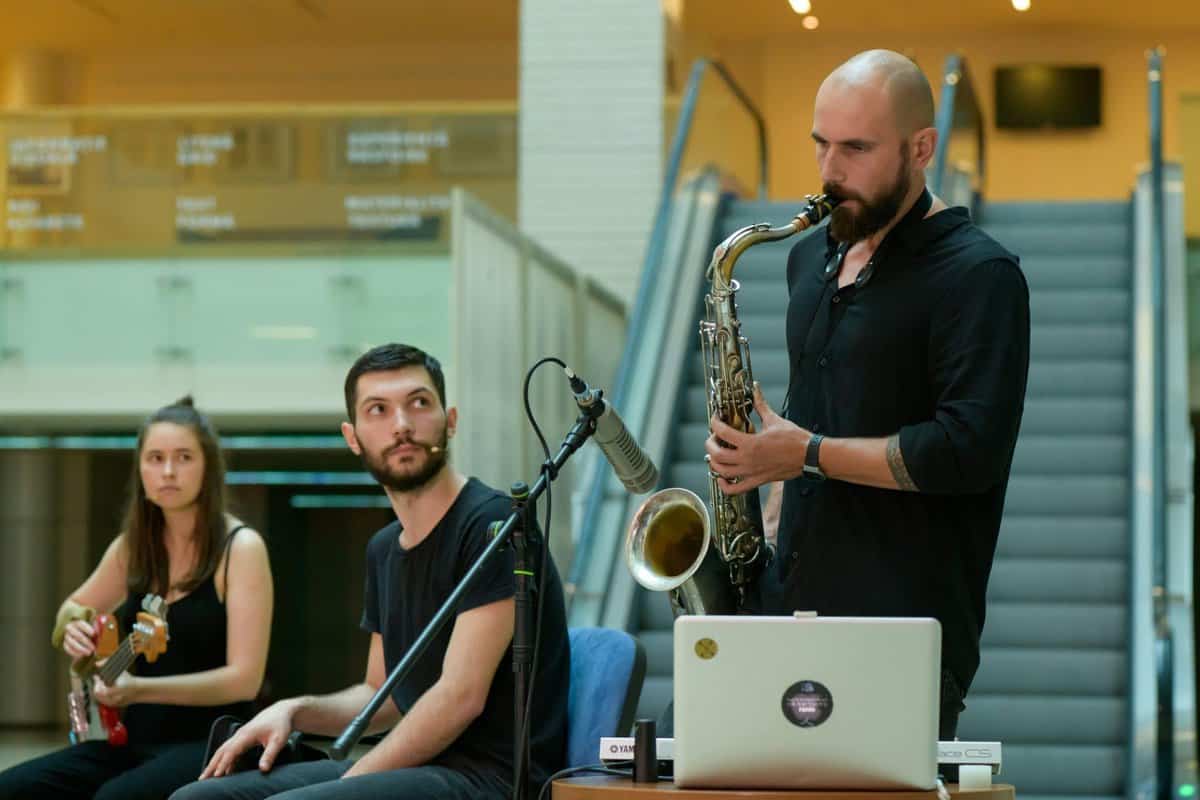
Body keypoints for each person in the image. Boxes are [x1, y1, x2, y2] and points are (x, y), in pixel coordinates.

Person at [704, 49, 1030, 739]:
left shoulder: (980, 276)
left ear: (922, 148)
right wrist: (764, 474)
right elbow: (815, 414)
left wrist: (807, 454)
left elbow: (966, 452)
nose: (829, 170)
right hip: (786, 610)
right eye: (821, 144)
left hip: (901, 632)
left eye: (856, 148)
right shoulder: (807, 258)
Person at [172, 343, 570, 800]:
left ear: (451, 420)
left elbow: (460, 697)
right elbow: (380, 695)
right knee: (195, 798)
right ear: (353, 436)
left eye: (419, 403)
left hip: (490, 779)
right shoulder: (384, 550)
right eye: (378, 410)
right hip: (419, 765)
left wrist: (353, 780)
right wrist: (293, 710)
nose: (401, 425)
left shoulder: (495, 524)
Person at [0, 397, 274, 800]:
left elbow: (244, 680)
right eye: (155, 458)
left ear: (207, 468)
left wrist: (139, 689)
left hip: (216, 741)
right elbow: (71, 610)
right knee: (14, 788)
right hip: (132, 741)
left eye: (183, 457)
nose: (167, 471)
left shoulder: (241, 548)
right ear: (141, 468)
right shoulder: (132, 547)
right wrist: (73, 629)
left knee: (116, 798)